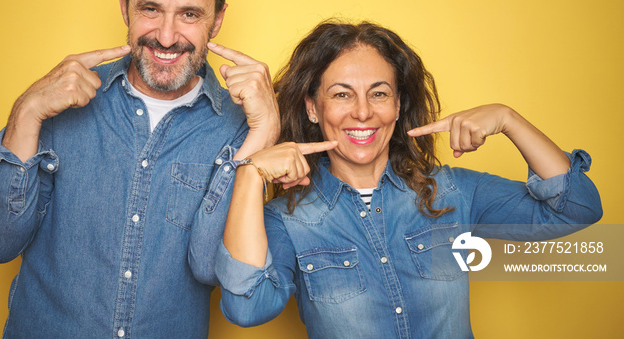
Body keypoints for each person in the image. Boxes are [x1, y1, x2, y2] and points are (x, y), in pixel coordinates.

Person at [0, 0, 280, 338]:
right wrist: (27, 111)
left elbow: (209, 267)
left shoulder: (238, 127)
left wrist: (264, 133)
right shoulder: (59, 102)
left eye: (189, 14)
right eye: (150, 9)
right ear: (124, 6)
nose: (167, 37)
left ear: (218, 18)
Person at [213, 20, 603, 338]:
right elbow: (246, 308)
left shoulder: (453, 191)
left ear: (398, 105)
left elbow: (577, 209)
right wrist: (251, 173)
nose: (363, 113)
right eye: (342, 95)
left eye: (379, 94)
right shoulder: (286, 220)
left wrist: (508, 118)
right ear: (313, 108)